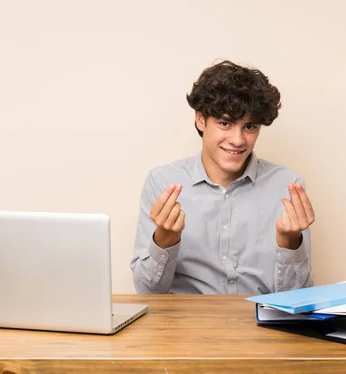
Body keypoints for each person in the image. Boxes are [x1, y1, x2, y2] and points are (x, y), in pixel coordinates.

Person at [130, 60, 315, 294]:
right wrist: (165, 240)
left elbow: (299, 298)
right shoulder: (162, 182)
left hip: (260, 325)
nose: (238, 140)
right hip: (186, 326)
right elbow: (148, 292)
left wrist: (290, 242)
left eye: (250, 127)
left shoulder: (288, 186)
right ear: (200, 119)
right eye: (225, 123)